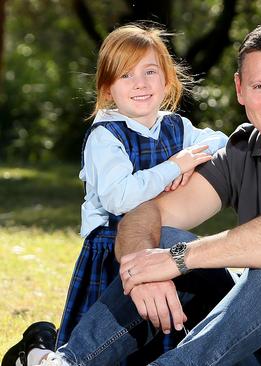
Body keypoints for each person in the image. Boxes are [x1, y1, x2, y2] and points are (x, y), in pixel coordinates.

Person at [14, 21, 261, 366]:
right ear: (240, 89)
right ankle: (69, 362)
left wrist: (179, 260)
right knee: (162, 239)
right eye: (260, 86)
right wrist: (143, 268)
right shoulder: (242, 149)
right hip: (255, 339)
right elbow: (146, 216)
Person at [2, 24, 227, 366]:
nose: (140, 83)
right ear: (108, 88)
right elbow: (120, 198)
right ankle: (35, 349)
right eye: (125, 75)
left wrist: (190, 162)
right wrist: (173, 167)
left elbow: (222, 142)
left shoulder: (176, 127)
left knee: (153, 340)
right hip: (110, 250)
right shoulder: (105, 137)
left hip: (155, 245)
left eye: (150, 71)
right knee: (103, 347)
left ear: (167, 79)